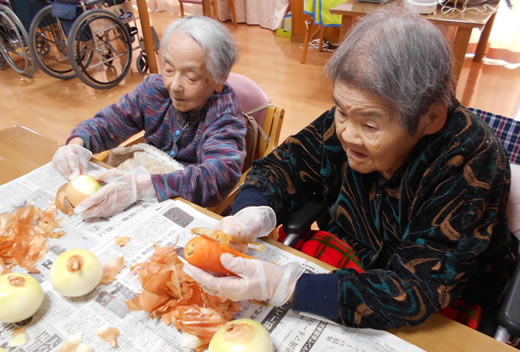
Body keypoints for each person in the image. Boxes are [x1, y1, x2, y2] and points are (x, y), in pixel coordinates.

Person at [184, 6, 519, 333]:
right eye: (341, 111)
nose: (346, 133)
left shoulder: (470, 158)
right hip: (354, 258)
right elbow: (284, 164)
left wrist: (287, 288)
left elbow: (417, 289)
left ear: (431, 117)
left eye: (370, 125)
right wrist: (253, 211)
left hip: (446, 295)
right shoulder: (350, 116)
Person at [51, 16, 246, 218]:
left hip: (184, 203)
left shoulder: (224, 114)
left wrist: (143, 186)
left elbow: (219, 176)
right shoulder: (154, 90)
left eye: (191, 77)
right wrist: (77, 143)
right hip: (145, 192)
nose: (175, 85)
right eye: (168, 70)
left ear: (218, 80)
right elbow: (112, 121)